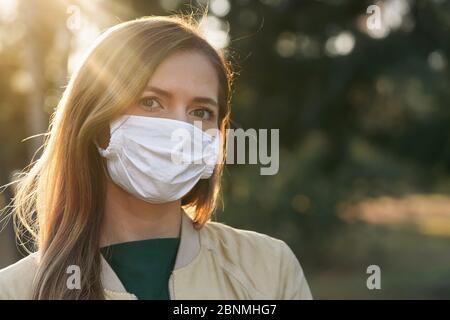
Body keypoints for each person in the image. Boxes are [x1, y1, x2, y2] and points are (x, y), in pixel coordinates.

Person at [0, 15, 312, 300]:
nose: (179, 129)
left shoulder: (269, 269)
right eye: (151, 102)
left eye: (201, 111)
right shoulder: (15, 291)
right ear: (96, 126)